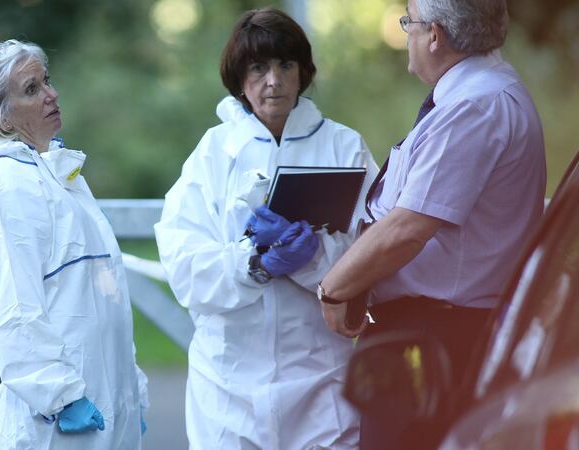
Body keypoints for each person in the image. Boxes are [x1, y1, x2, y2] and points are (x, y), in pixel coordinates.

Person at [317, 0, 546, 449]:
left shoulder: (474, 107)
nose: (407, 33)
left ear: (435, 35)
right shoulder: (480, 93)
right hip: (443, 329)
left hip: (437, 336)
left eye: (410, 22)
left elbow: (407, 228)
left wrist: (335, 286)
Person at [155, 8, 379, 450]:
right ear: (240, 80)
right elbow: (185, 269)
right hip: (227, 387)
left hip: (321, 380)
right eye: (258, 68)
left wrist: (315, 259)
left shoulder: (343, 147)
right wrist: (253, 263)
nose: (273, 81)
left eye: (285, 65)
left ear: (303, 73)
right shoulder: (213, 154)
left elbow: (373, 255)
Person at [0, 39, 148, 450]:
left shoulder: (61, 176)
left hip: (106, 407)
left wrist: (133, 392)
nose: (51, 94)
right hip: (55, 424)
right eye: (31, 89)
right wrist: (60, 398)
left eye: (47, 81)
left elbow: (105, 293)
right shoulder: (4, 188)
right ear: (1, 117)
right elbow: (13, 310)